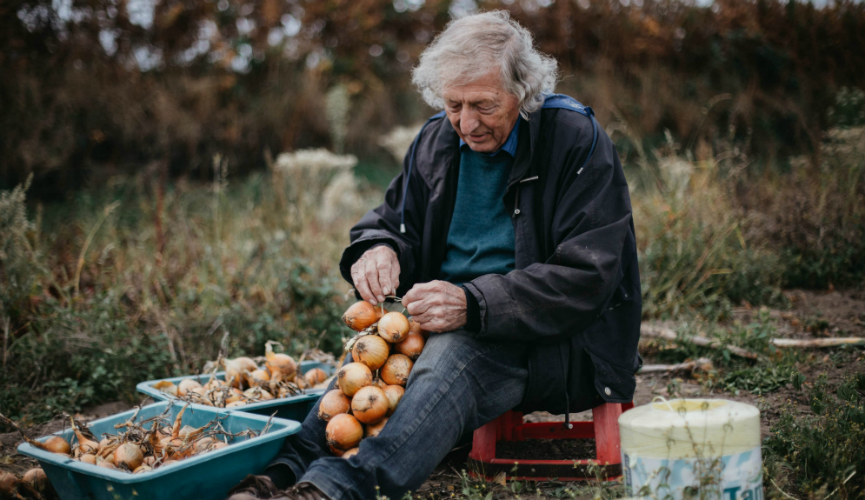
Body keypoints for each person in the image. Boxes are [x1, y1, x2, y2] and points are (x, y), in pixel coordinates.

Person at [228, 10, 641, 500]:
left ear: (523, 92)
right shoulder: (436, 140)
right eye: (453, 104)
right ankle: (275, 478)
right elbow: (392, 220)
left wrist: (473, 304)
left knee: (452, 352)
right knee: (360, 373)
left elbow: (586, 276)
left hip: (553, 341)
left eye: (484, 106)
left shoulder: (574, 140)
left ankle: (331, 493)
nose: (467, 123)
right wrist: (378, 248)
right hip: (439, 318)